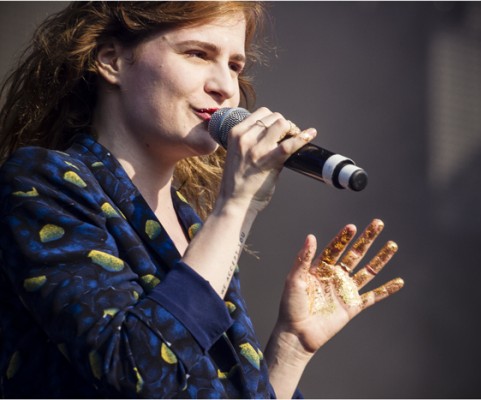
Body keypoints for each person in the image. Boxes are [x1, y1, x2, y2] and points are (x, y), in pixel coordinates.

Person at [0, 2, 404, 398]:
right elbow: (136, 371)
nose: (226, 87)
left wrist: (291, 347)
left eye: (234, 66)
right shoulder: (41, 181)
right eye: (198, 53)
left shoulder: (191, 224)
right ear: (112, 61)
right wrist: (235, 206)